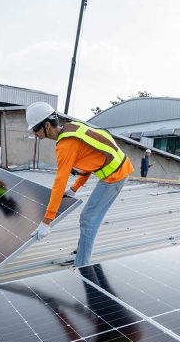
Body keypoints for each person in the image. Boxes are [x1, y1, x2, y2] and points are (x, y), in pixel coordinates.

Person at [25, 102, 133, 267]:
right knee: (89, 219)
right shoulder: (72, 128)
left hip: (116, 175)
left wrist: (47, 221)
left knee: (88, 219)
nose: (34, 133)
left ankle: (82, 265)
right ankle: (82, 252)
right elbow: (90, 159)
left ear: (46, 125)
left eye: (35, 129)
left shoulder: (65, 145)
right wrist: (75, 188)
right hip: (117, 168)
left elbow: (60, 181)